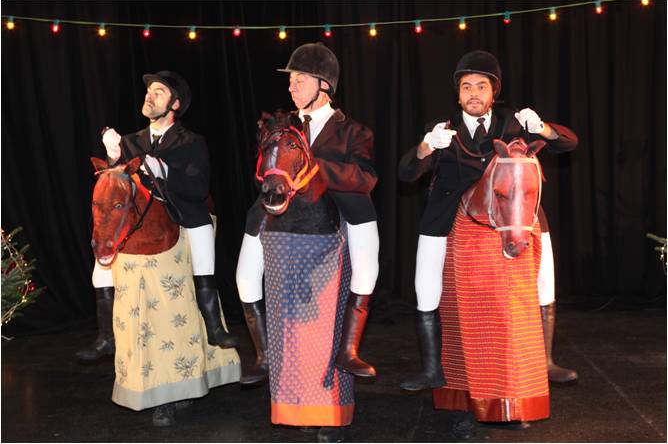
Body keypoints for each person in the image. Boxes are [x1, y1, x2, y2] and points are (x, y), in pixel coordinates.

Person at [398, 50, 578, 433]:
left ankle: (540, 366)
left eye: (481, 86)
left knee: (540, 286)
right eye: (467, 87)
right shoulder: (442, 127)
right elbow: (406, 172)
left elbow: (568, 144)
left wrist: (542, 128)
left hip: (512, 219)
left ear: (493, 92)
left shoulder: (515, 123)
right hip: (450, 219)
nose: (474, 93)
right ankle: (433, 367)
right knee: (426, 284)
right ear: (458, 94)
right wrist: (427, 147)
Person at [236, 42, 379, 443]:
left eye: (300, 80)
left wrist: (317, 167)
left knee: (367, 270)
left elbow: (365, 177)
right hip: (280, 217)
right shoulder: (282, 127)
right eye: (292, 80)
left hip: (341, 213)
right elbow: (265, 169)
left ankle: (348, 350)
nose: (292, 87)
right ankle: (264, 356)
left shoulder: (353, 130)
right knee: (244, 280)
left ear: (324, 85)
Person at [77, 71, 238, 363]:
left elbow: (198, 187)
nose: (149, 95)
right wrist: (113, 157)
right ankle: (105, 336)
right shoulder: (131, 141)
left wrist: (162, 168)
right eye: (149, 90)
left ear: (175, 104)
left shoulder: (191, 141)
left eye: (159, 92)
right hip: (141, 219)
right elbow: (119, 183)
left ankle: (214, 327)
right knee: (102, 263)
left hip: (185, 212)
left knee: (202, 243)